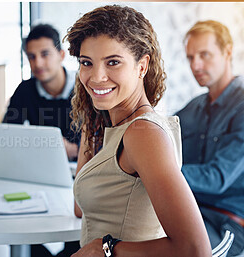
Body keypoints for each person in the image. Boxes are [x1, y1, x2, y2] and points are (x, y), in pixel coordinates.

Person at [64, 5, 211, 256]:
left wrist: (105, 249)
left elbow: (194, 249)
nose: (96, 77)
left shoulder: (143, 133)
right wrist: (91, 121)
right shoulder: (121, 128)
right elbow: (82, 208)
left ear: (142, 66)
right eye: (86, 63)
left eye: (113, 62)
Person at [176, 20, 244, 255]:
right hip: (186, 213)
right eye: (190, 58)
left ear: (228, 52)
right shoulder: (194, 107)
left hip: (224, 224)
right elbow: (157, 137)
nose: (196, 65)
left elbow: (218, 177)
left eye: (204, 55)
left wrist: (159, 174)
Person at [2, 24, 79, 161]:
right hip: (41, 167)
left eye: (45, 54)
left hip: (81, 169)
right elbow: (7, 134)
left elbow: (103, 144)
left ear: (61, 55)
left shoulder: (85, 90)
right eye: (32, 57)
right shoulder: (25, 90)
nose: (37, 63)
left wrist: (73, 150)